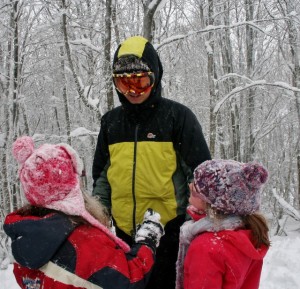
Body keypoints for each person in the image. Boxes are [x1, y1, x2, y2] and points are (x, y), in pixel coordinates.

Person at [92, 35, 211, 289]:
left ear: (155, 77)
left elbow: (201, 177)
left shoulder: (177, 118)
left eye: (141, 83)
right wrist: (97, 219)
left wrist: (195, 223)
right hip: (124, 235)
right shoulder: (111, 123)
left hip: (170, 234)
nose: (133, 92)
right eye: (125, 85)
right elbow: (102, 177)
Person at [4, 136, 164, 289]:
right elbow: (129, 280)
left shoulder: (24, 238)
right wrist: (146, 241)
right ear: (71, 185)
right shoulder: (84, 242)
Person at [175, 159, 271, 289]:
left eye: (197, 187)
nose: (190, 185)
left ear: (214, 204)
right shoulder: (248, 235)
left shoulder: (206, 248)